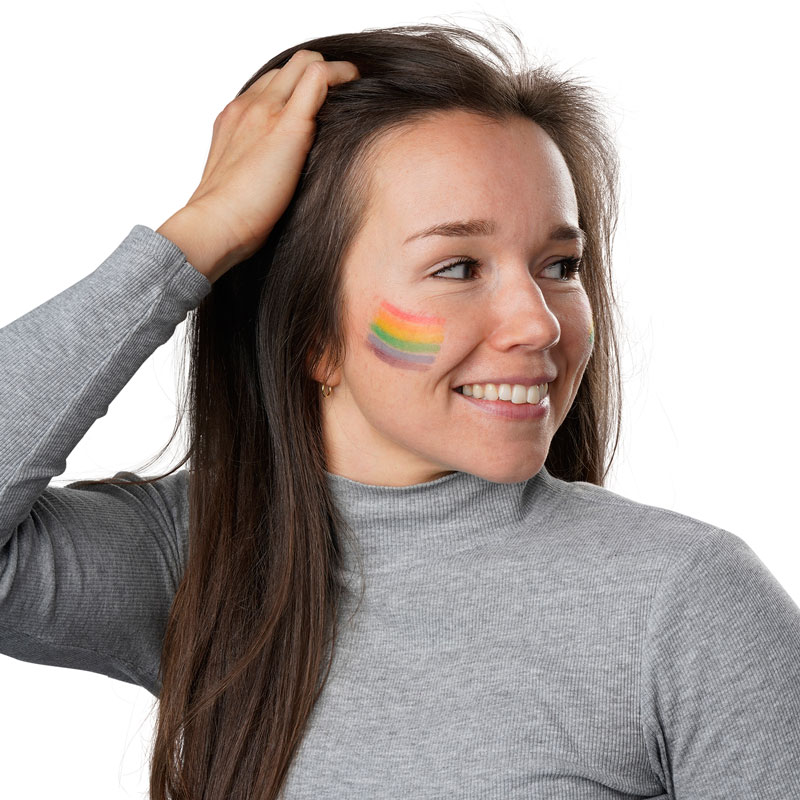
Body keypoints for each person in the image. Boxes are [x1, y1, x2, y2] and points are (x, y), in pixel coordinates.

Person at [1, 20, 799, 800]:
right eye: (457, 267)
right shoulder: (194, 560)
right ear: (313, 334)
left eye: (560, 264)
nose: (540, 323)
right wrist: (196, 237)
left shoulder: (688, 602)